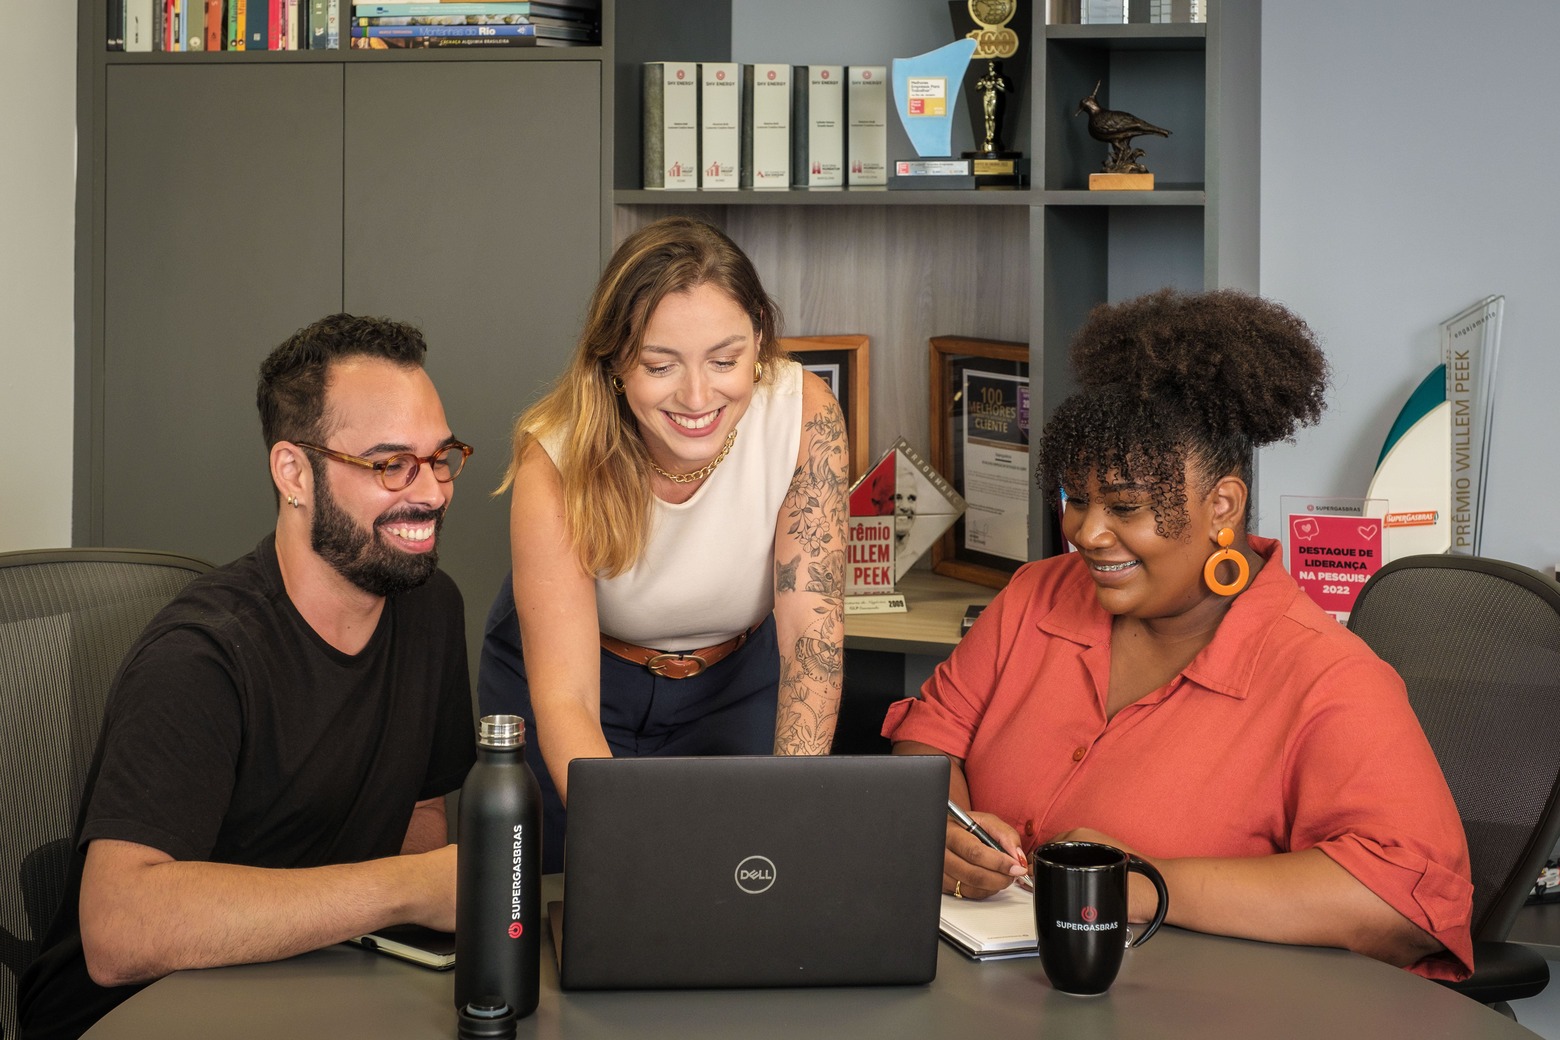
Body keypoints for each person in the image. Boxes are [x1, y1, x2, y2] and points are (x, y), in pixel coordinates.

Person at [885, 288, 1475, 979]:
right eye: (1075, 499)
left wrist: (1140, 884)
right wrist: (950, 829)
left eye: (1126, 507)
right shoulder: (1035, 597)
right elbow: (928, 737)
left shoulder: (1328, 679)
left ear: (1221, 504)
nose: (1085, 533)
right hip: (992, 990)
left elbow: (1404, 906)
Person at [18, 314, 478, 1040]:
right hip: (133, 1014)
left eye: (440, 456)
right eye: (391, 463)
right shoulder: (201, 656)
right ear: (294, 473)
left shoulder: (429, 609)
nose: (432, 493)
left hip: (301, 985)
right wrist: (407, 892)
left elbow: (420, 805)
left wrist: (397, 932)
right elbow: (118, 930)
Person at [479, 217, 848, 870]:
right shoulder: (554, 455)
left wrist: (794, 809)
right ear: (615, 360)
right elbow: (567, 698)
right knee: (591, 889)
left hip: (734, 682)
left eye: (726, 361)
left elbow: (810, 636)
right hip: (585, 685)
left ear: (759, 340)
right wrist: (626, 845)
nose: (698, 397)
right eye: (660, 365)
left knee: (742, 876)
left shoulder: (805, 415)